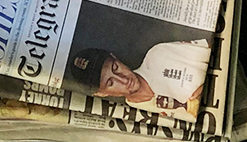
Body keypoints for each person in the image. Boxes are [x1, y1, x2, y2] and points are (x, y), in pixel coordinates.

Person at [66, 41, 211, 116]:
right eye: (111, 83)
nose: (123, 79)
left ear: (116, 58)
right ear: (102, 93)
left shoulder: (159, 54)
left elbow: (214, 46)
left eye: (115, 68)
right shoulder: (135, 111)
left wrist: (210, 84)